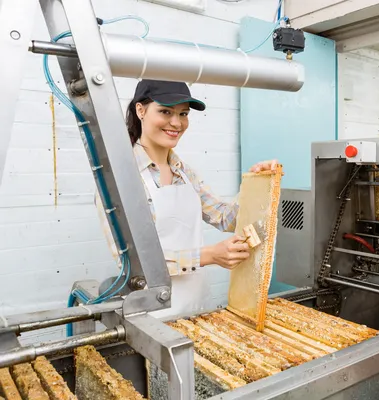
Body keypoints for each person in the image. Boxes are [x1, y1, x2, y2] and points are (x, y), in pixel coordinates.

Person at [95, 79, 278, 317]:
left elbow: (226, 218)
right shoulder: (121, 178)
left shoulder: (183, 171)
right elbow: (133, 262)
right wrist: (209, 255)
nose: (176, 123)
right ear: (140, 110)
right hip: (153, 315)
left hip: (198, 307)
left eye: (183, 114)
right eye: (165, 111)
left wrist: (256, 184)